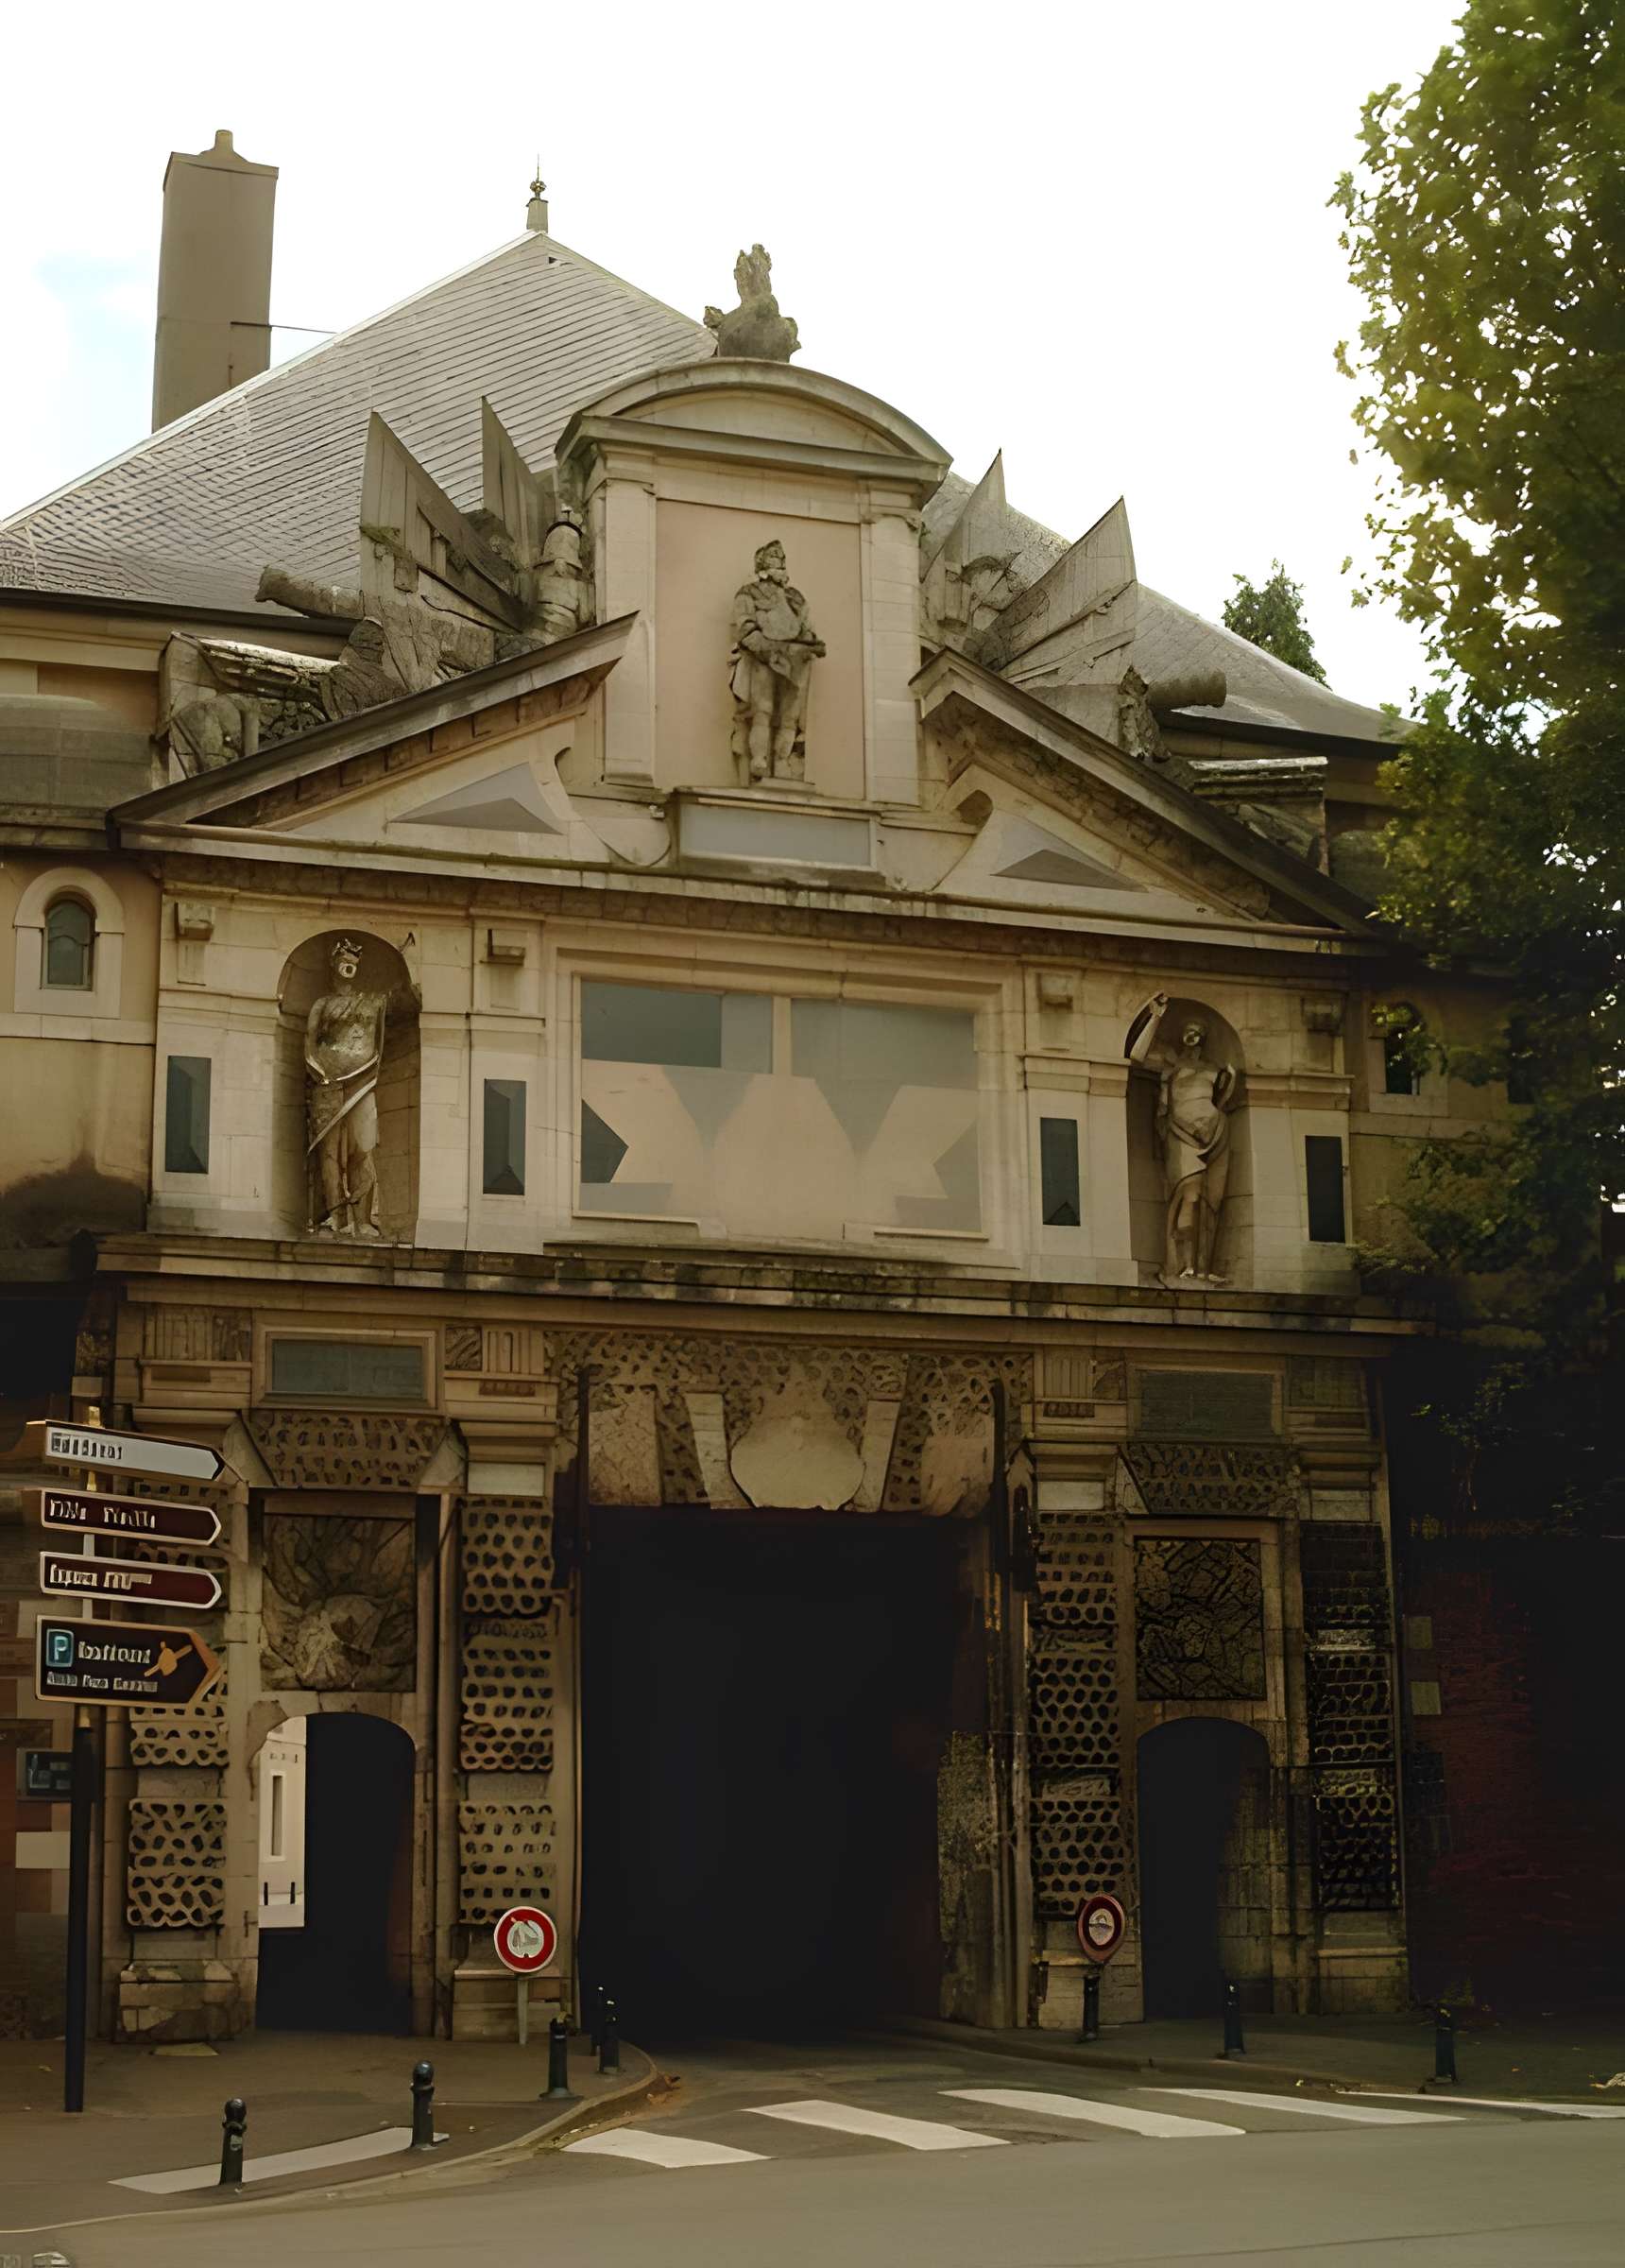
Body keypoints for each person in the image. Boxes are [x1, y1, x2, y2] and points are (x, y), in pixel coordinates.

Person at [1128, 992, 1240, 1281]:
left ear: (1203, 1039)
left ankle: (1202, 1266)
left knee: (1207, 1200)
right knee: (1189, 1196)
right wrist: (1155, 1017)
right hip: (1180, 1136)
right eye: (1187, 1031)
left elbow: (1222, 1100)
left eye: (1197, 1032)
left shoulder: (1215, 1070)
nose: (1191, 1035)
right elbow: (1137, 1055)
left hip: (1213, 1137)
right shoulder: (1170, 1063)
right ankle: (1183, 1265)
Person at [305, 936, 390, 1237]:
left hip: (363, 1084)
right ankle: (334, 1216)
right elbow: (309, 1047)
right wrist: (321, 1073)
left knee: (362, 1148)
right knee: (329, 1153)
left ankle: (364, 1218)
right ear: (334, 966)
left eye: (353, 961)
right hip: (327, 1087)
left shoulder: (370, 1002)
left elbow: (400, 1002)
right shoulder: (322, 1004)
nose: (348, 966)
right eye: (343, 960)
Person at [728, 540, 825, 781]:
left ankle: (783, 761)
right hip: (765, 657)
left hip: (793, 659)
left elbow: (806, 627)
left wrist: (810, 644)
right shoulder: (748, 593)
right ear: (763, 565)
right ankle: (759, 759)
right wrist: (766, 649)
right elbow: (745, 627)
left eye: (781, 561)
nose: (779, 564)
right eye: (774, 559)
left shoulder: (795, 598)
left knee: (790, 716)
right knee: (763, 709)